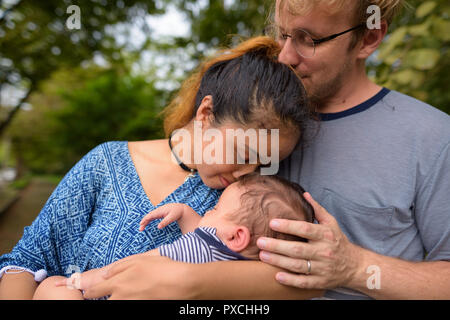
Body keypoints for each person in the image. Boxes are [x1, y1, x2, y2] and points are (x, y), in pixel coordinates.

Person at [81, 0, 450, 300]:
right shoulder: (244, 123)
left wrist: (352, 267)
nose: (286, 55)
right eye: (284, 33)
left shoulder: (431, 138)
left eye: (308, 39)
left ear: (369, 38)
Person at [0, 36, 321, 300]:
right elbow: (26, 261)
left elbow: (299, 281)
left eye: (265, 163)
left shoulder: (247, 206)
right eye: (243, 151)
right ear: (206, 113)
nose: (246, 173)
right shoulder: (106, 162)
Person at [32, 173, 316, 299]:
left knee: (52, 288)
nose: (208, 212)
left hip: (109, 289)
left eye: (215, 208)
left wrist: (79, 281)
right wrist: (184, 211)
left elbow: (129, 270)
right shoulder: (235, 266)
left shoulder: (189, 254)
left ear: (237, 236)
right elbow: (204, 237)